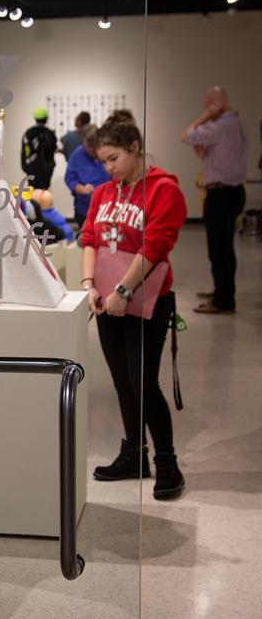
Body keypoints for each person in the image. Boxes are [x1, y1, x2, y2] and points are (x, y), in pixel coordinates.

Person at [80, 110, 187, 499]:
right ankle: (134, 455)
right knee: (123, 383)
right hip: (107, 301)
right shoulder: (106, 192)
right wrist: (89, 284)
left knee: (144, 382)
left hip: (147, 300)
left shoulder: (163, 189)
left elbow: (156, 245)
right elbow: (89, 237)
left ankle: (167, 462)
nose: (108, 168)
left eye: (114, 159)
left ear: (135, 148)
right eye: (103, 161)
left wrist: (123, 293)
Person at [181, 87, 247, 314]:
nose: (205, 110)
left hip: (222, 195)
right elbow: (207, 154)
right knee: (224, 248)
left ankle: (223, 300)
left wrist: (205, 117)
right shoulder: (235, 124)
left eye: (207, 106)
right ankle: (222, 291)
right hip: (232, 191)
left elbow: (186, 136)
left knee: (219, 250)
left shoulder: (221, 125)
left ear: (215, 104)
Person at [65, 123, 111, 228]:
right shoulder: (77, 155)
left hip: (107, 209)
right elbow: (69, 178)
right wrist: (82, 189)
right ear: (83, 142)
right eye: (88, 146)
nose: (91, 150)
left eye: (94, 146)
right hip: (84, 209)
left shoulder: (107, 152)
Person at [20, 107, 57, 189]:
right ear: (46, 119)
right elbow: (53, 148)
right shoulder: (50, 133)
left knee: (32, 190)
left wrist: (26, 166)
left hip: (31, 168)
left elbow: (25, 150)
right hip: (46, 168)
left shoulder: (28, 133)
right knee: (44, 191)